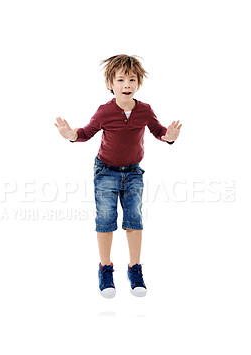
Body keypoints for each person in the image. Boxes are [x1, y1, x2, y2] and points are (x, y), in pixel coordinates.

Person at [54, 54, 182, 299]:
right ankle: (105, 268)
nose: (127, 85)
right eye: (121, 80)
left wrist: (170, 135)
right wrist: (71, 134)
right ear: (110, 84)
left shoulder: (144, 110)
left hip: (133, 172)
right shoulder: (104, 111)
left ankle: (135, 268)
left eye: (132, 80)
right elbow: (86, 132)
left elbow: (159, 132)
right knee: (105, 219)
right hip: (106, 172)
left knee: (134, 219)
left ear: (138, 83)